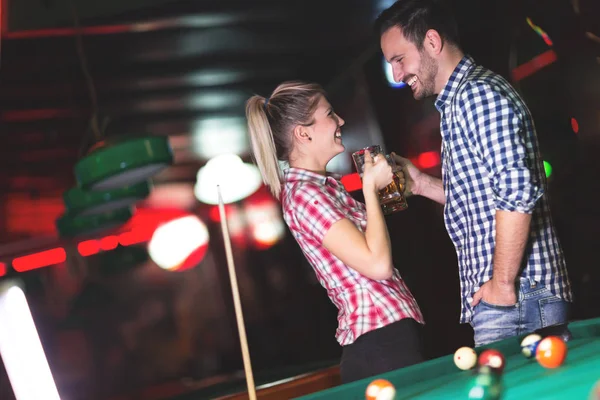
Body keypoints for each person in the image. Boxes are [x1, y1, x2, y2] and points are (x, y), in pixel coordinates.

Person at [375, 0, 573, 347]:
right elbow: (483, 196)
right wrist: (420, 183)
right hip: (515, 296)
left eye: (399, 59)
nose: (396, 74)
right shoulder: (458, 101)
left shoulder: (475, 95)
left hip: (518, 296)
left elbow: (516, 190)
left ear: (432, 43)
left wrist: (502, 284)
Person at [245, 81, 425, 383]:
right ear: (304, 133)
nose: (340, 121)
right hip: (379, 342)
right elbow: (378, 266)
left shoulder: (324, 186)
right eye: (330, 114)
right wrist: (369, 187)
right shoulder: (304, 195)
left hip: (387, 336)